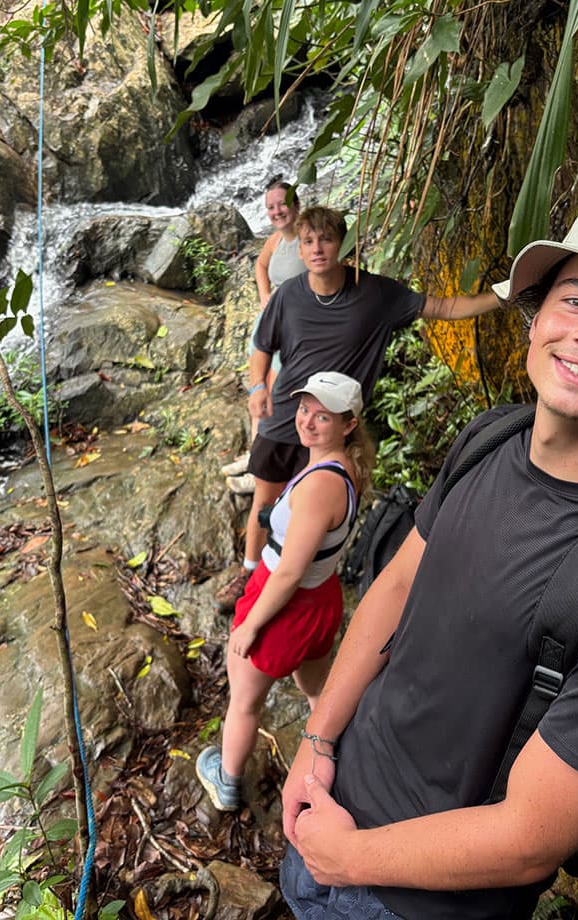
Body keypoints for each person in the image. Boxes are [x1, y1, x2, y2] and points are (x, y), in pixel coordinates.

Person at [278, 197, 578, 919]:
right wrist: (318, 742)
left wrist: (344, 856)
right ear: (538, 315)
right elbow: (394, 592)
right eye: (575, 299)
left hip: (421, 902)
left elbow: (529, 838)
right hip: (330, 807)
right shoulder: (490, 438)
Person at [215, 204, 499, 613]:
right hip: (287, 417)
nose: (317, 249)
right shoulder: (289, 296)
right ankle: (249, 571)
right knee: (266, 498)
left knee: (320, 506)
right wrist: (258, 386)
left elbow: (443, 308)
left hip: (337, 427)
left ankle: (302, 581)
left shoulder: (376, 294)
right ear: (299, 250)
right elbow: (263, 346)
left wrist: (502, 297)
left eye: (326, 239)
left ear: (343, 243)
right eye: (308, 241)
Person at [197, 372, 374, 811]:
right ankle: (339, 756)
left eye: (323, 417)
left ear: (348, 424)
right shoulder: (343, 467)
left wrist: (250, 625)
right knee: (317, 689)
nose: (308, 422)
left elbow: (290, 571)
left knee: (242, 703)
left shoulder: (318, 486)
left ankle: (228, 784)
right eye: (304, 410)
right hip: (320, 600)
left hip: (284, 604)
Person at [221, 180, 305, 493]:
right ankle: (255, 454)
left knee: (274, 394)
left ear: (296, 204)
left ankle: (261, 473)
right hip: (271, 324)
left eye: (282, 204)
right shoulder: (274, 241)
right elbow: (261, 264)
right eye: (270, 207)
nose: (276, 212)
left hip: (293, 330)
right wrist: (264, 295)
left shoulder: (307, 240)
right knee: (259, 388)